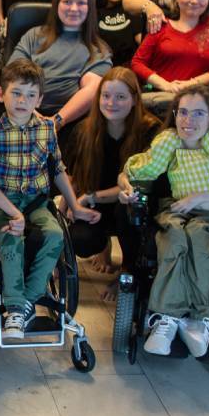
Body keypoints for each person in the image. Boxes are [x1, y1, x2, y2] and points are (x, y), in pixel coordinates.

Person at [119, 85, 209, 357]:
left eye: (198, 114)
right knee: (173, 240)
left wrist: (200, 197)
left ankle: (202, 318)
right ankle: (167, 319)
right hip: (176, 208)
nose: (188, 120)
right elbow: (137, 170)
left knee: (197, 239)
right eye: (182, 112)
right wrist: (124, 184)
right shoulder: (169, 140)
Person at [0, 60, 98, 335]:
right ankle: (15, 307)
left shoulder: (46, 128)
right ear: (1, 94)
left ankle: (26, 301)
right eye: (16, 93)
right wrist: (13, 213)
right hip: (0, 202)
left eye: (31, 95)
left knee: (55, 235)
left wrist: (75, 206)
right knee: (12, 237)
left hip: (35, 201)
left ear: (39, 99)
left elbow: (58, 170)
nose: (22, 101)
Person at [67, 67, 161, 291]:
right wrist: (68, 209)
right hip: (95, 202)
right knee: (80, 239)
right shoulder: (84, 129)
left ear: (134, 99)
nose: (111, 103)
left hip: (131, 202)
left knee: (125, 210)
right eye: (106, 96)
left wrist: (90, 197)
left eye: (120, 97)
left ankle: (128, 270)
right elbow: (71, 176)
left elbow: (138, 185)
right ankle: (103, 246)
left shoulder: (151, 130)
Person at [10, 0, 112, 125]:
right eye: (67, 2)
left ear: (89, 7)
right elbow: (12, 75)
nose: (73, 8)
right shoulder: (33, 36)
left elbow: (92, 89)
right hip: (24, 113)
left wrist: (56, 122)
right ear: (57, 4)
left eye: (81, 3)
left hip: (72, 121)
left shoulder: (99, 50)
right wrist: (30, 113)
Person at [131, 0, 209, 111]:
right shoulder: (161, 24)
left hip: (198, 101)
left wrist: (191, 84)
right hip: (160, 99)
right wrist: (166, 85)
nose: (194, 0)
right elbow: (137, 63)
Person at [94, 0, 144, 66]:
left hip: (129, 66)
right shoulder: (97, 13)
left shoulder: (131, 11)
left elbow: (141, 41)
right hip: (103, 64)